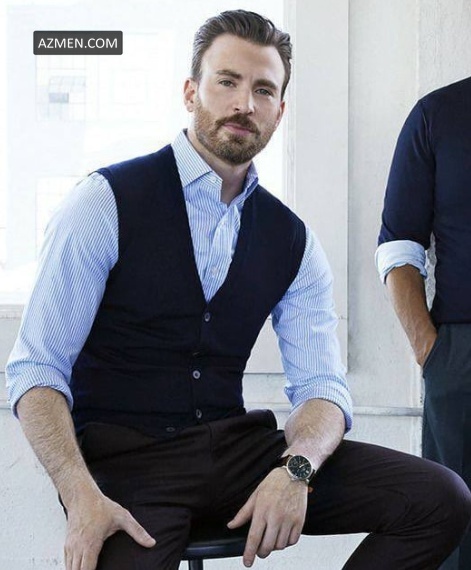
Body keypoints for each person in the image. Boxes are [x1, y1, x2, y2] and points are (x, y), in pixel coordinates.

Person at [6, 10, 471, 570]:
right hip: (129, 465)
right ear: (190, 92)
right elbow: (36, 371)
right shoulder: (105, 202)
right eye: (227, 82)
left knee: (438, 498)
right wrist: (81, 497)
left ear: (280, 110)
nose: (244, 104)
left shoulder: (292, 239)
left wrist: (295, 469)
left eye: (263, 90)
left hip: (235, 453)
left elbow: (322, 388)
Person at [376, 76, 471, 569]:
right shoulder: (439, 114)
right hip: (461, 355)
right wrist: (432, 351)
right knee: (458, 535)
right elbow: (399, 245)